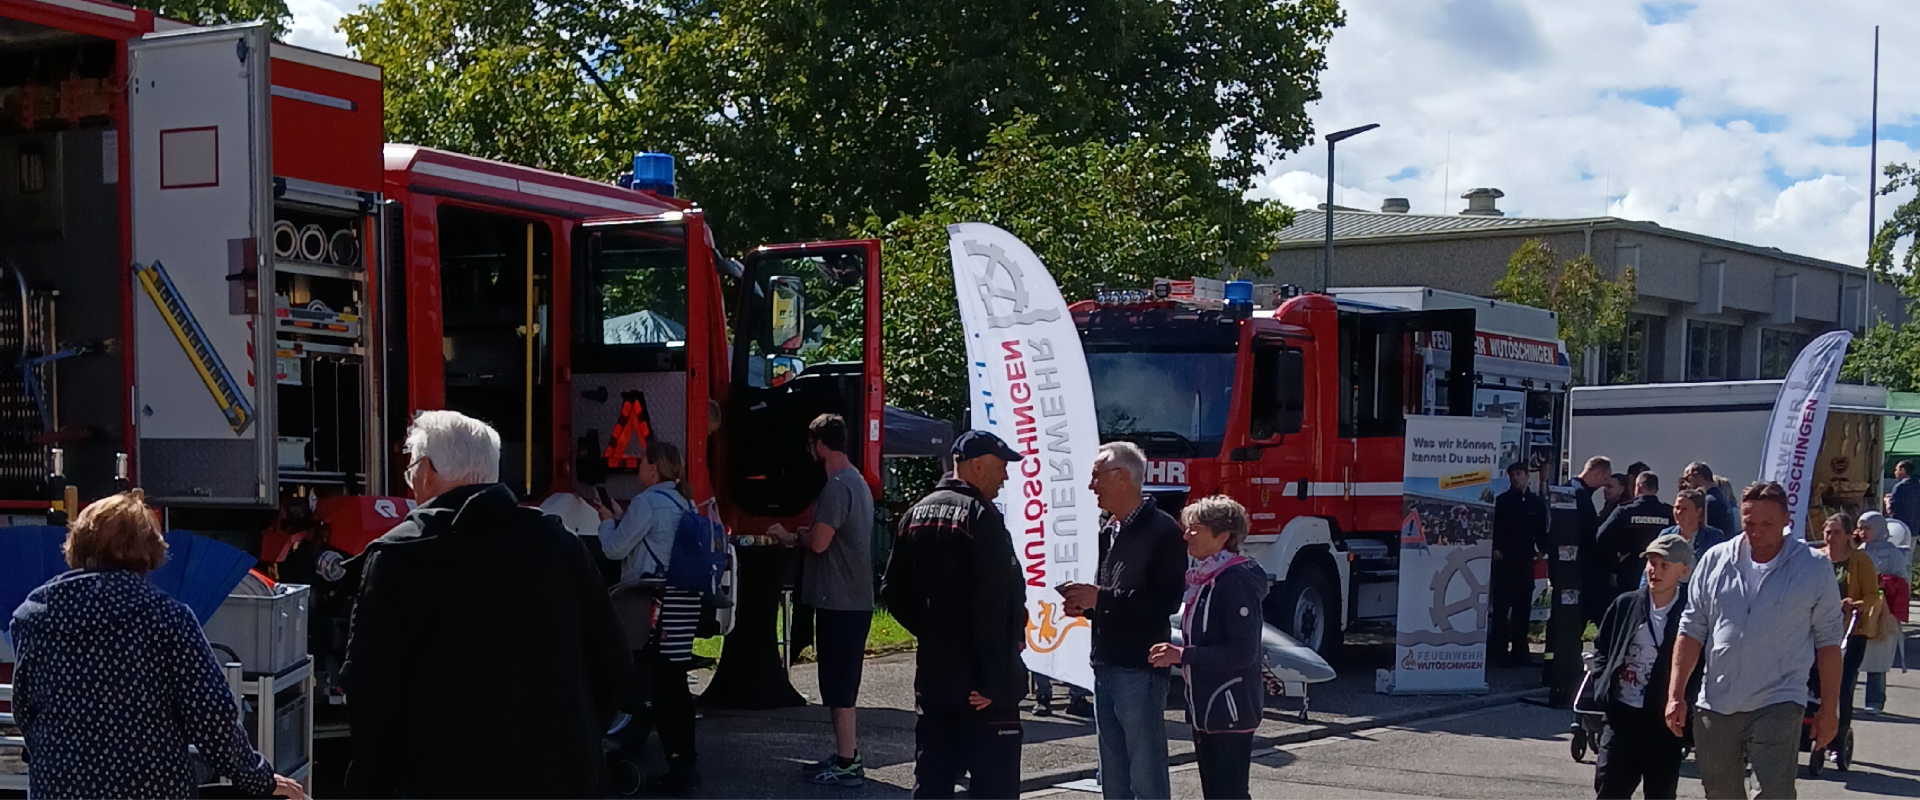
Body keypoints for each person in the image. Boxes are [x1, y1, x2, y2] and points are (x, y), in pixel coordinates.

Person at [343, 410, 630, 800]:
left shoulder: (399, 558)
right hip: (559, 779)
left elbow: (370, 692)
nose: (409, 480)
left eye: (410, 467)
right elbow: (612, 663)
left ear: (427, 471)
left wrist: (374, 782)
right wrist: (576, 742)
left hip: (438, 781)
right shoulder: (561, 547)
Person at [8, 491, 305, 800]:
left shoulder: (32, 619)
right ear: (148, 551)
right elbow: (212, 718)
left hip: (57, 788)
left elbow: (25, 711)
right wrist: (258, 778)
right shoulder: (167, 619)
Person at [1666, 481, 1844, 800]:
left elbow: (1828, 641)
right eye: (1749, 523)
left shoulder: (1813, 567)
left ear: (1787, 521)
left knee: (1774, 791)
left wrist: (1829, 708)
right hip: (1718, 699)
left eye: (1767, 524)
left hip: (1780, 697)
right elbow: (1692, 628)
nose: (1757, 531)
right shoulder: (1715, 560)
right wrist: (1676, 693)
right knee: (1720, 792)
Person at [882, 430, 1029, 800]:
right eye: (1001, 467)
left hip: (934, 679)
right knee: (994, 785)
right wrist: (992, 679)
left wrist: (935, 632)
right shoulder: (980, 515)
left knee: (932, 780)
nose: (1006, 477)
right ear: (977, 465)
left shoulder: (914, 513)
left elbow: (891, 592)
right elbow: (995, 602)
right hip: (982, 688)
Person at [1060, 442, 1186, 800]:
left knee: (1145, 776)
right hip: (1106, 663)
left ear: (1122, 478)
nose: (1091, 486)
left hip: (1140, 668)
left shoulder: (1162, 531)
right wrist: (1087, 606)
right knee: (1113, 776)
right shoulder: (1108, 529)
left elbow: (1165, 601)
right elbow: (1116, 595)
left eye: (1096, 476)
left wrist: (1100, 598)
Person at [769, 413, 876, 786]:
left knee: (839, 686)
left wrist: (792, 534)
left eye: (811, 444)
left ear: (819, 445)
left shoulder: (836, 487)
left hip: (840, 602)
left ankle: (848, 762)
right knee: (839, 684)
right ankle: (846, 755)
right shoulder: (858, 482)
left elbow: (819, 542)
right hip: (853, 601)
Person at [591, 439, 703, 793]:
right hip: (685, 600)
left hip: (654, 603)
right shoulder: (684, 501)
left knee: (660, 687)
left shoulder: (646, 502)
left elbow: (613, 549)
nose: (638, 468)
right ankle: (686, 760)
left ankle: (675, 768)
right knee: (676, 683)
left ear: (654, 468)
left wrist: (608, 521)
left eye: (642, 462)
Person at [1148, 496, 1267, 800]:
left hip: (1230, 708)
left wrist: (1183, 655)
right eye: (1186, 528)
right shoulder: (1206, 578)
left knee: (1229, 794)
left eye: (1194, 529)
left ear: (1222, 536)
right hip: (1207, 710)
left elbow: (1243, 652)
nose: (1185, 535)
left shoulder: (1234, 580)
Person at [1587, 534, 1702, 800]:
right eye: (1651, 563)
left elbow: (1700, 662)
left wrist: (1685, 700)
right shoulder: (1625, 604)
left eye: (1665, 565)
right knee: (1608, 790)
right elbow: (1603, 647)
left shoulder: (1692, 613)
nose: (1655, 571)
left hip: (1664, 724)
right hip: (1622, 718)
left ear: (1683, 571)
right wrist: (1604, 683)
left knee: (1660, 793)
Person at [1815, 511, 1880, 753]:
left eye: (1836, 533)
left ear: (1847, 535)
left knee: (1842, 684)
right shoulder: (1817, 558)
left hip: (1851, 632)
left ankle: (1838, 736)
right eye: (1827, 532)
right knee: (1813, 681)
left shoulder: (1860, 561)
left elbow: (1874, 596)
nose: (1831, 537)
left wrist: (1855, 605)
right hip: (1818, 631)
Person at [1491, 463, 1548, 666]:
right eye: (1512, 475)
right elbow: (1494, 529)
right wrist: (1496, 548)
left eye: (1518, 474)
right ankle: (1498, 652)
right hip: (1505, 561)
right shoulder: (1503, 502)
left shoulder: (1536, 504)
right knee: (1501, 608)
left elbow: (1542, 530)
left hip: (1525, 561)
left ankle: (1520, 653)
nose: (1515, 478)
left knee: (1522, 609)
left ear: (1526, 475)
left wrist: (1541, 549)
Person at [1857, 511, 1910, 714]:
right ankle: (1847, 696)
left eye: (1867, 528)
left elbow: (1903, 583)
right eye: (1860, 528)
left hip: (1883, 612)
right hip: (1861, 610)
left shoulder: (1893, 553)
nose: (1862, 532)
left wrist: (1882, 582)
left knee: (1877, 658)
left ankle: (1875, 701)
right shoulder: (1858, 551)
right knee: (1853, 656)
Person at [1597, 472, 1672, 603]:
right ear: (1656, 489)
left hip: (1629, 568)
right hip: (1661, 569)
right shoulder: (1668, 512)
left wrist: (1615, 559)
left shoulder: (1624, 511)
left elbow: (1602, 537)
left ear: (1638, 487)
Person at [1573, 456, 1616, 624]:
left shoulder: (1570, 489)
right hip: (1582, 565)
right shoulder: (1581, 495)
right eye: (1605, 479)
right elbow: (1588, 532)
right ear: (1598, 473)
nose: (1603, 485)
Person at [1663, 488, 1729, 557]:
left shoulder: (1714, 537)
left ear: (1698, 511)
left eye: (1685, 509)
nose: (1679, 512)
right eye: (1677, 507)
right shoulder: (1666, 535)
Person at [1682, 462, 1739, 536]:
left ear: (1699, 477)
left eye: (1687, 478)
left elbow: (1708, 533)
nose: (1686, 484)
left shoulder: (1708, 501)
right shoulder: (1722, 499)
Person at [1887, 460, 1920, 532]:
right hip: (1916, 529)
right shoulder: (1918, 486)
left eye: (1896, 470)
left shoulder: (1899, 487)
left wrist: (1887, 500)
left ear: (1902, 470)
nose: (1895, 473)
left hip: (1901, 529)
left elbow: (1890, 510)